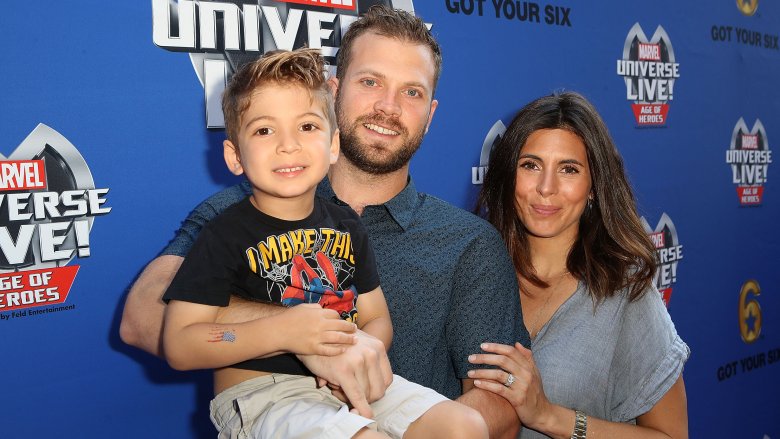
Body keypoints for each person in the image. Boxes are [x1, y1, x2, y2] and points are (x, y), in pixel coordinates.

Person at [120, 6, 529, 437]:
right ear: (335, 91)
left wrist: (346, 347)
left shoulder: (470, 242)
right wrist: (299, 334)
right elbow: (144, 317)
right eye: (370, 82)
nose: (387, 107)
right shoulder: (231, 214)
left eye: (411, 92)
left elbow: (498, 409)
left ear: (429, 114)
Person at [468, 91, 690, 438]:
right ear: (509, 174)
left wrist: (548, 416)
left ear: (592, 187)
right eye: (531, 165)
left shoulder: (624, 292)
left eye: (568, 169)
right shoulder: (474, 274)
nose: (546, 188)